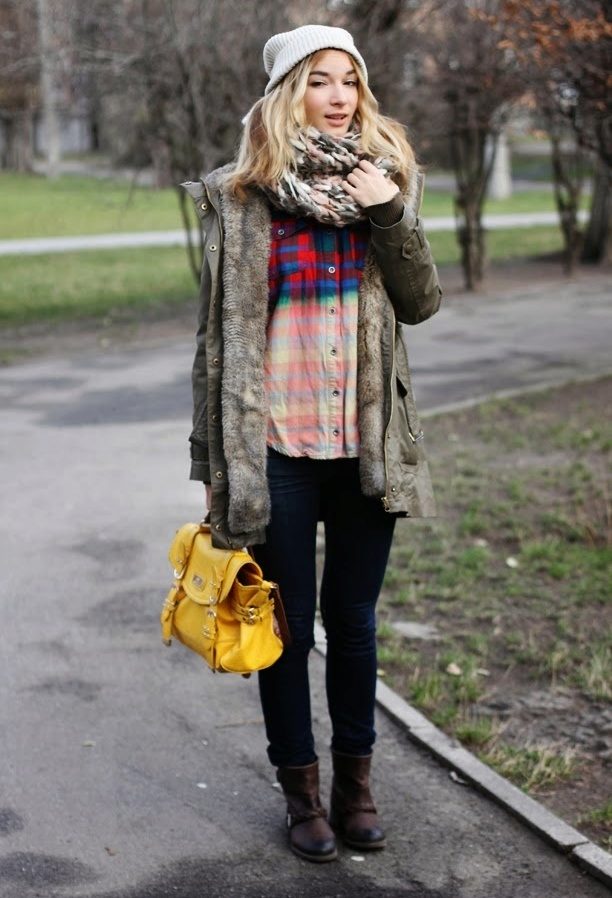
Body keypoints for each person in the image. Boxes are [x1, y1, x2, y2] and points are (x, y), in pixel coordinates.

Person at [183, 24, 442, 863]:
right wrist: (214, 465)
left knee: (354, 624)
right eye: (320, 80)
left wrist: (388, 211)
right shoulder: (242, 198)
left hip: (365, 445)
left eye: (350, 81)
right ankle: (300, 793)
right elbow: (216, 342)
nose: (339, 97)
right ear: (288, 93)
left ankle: (355, 788)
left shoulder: (386, 182)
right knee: (287, 630)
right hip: (277, 449)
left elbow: (421, 302)